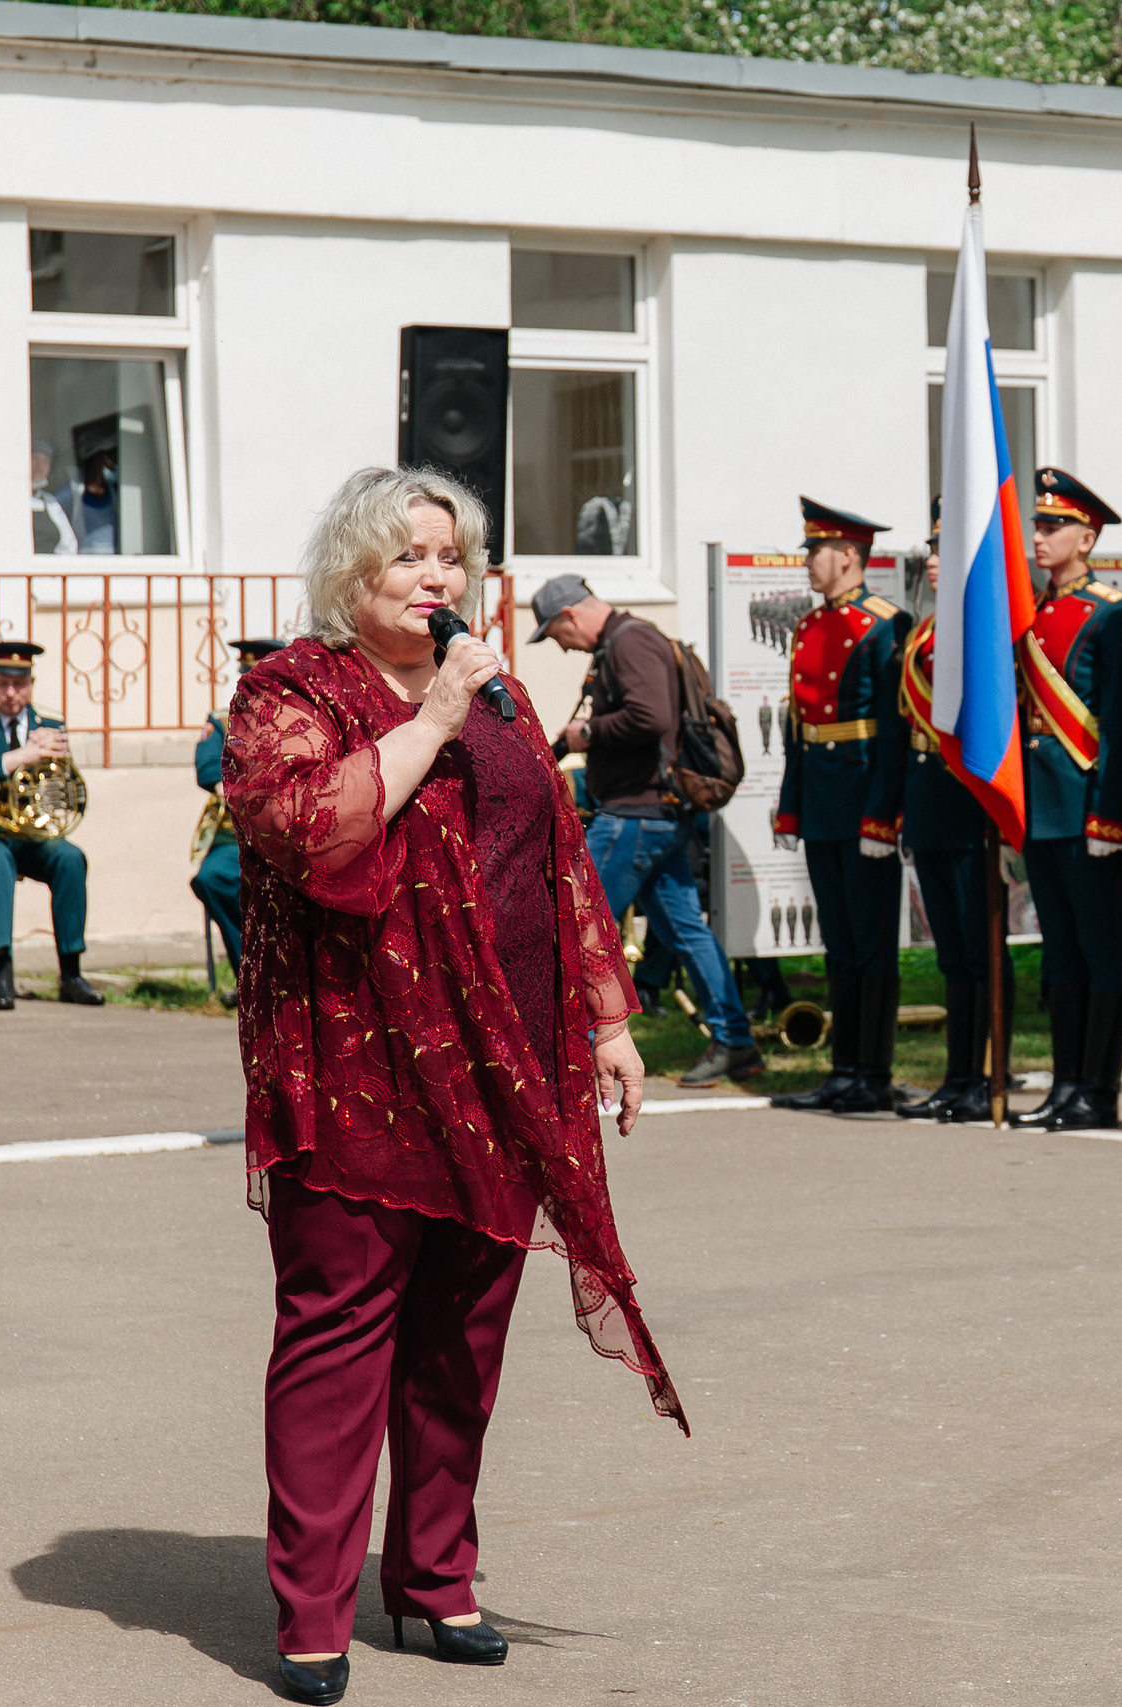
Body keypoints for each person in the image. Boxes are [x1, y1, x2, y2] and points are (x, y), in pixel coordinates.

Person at [220, 466, 681, 1707]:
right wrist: (428, 721)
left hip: (508, 1054)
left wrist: (605, 1017)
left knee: (464, 1335)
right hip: (360, 1065)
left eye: (451, 557)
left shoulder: (498, 693)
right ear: (352, 571)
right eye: (408, 556)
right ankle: (313, 1614)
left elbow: (558, 853)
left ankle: (434, 1580)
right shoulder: (291, 692)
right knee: (337, 1336)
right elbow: (309, 828)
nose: (436, 578)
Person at [534, 571, 763, 1088]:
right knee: (687, 933)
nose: (563, 647)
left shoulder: (629, 643)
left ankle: (569, 1053)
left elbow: (651, 717)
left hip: (635, 816)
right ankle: (735, 1041)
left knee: (575, 926)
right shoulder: (632, 638)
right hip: (656, 814)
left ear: (570, 615)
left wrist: (587, 732)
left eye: (556, 634)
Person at [1009, 469, 1122, 1131]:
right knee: (1060, 952)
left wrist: (1109, 814)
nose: (1039, 536)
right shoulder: (1030, 612)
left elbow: (1120, 727)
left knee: (1102, 953)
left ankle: (1099, 1089)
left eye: (1053, 526)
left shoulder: (1114, 614)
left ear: (1086, 538)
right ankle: (1065, 1084)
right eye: (1037, 525)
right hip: (1042, 806)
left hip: (1088, 806)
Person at [772, 496, 911, 1113]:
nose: (808, 562)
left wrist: (883, 815)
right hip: (824, 799)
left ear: (849, 556)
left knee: (872, 943)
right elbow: (799, 728)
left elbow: (894, 731)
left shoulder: (886, 625)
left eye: (817, 551)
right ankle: (844, 1070)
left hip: (863, 798)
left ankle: (873, 1073)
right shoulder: (809, 626)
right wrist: (791, 806)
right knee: (838, 942)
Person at [898, 496, 1011, 1123]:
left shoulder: (985, 628)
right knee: (951, 954)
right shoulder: (925, 631)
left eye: (945, 549)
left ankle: (990, 1074)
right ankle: (958, 1075)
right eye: (932, 549)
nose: (933, 559)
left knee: (979, 950)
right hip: (930, 805)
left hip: (971, 806)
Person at [0, 639, 102, 1010]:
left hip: (33, 835)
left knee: (71, 859)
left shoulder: (49, 722)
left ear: (31, 683)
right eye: (2, 684)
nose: (11, 693)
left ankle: (71, 973)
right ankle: (2, 973)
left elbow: (63, 786)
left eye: (19, 684)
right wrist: (16, 758)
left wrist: (57, 755)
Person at [193, 636, 288, 999]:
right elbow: (207, 769)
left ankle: (283, 979)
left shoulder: (298, 719)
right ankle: (249, 975)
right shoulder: (222, 720)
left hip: (286, 833)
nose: (255, 685)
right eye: (249, 676)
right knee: (212, 878)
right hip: (236, 833)